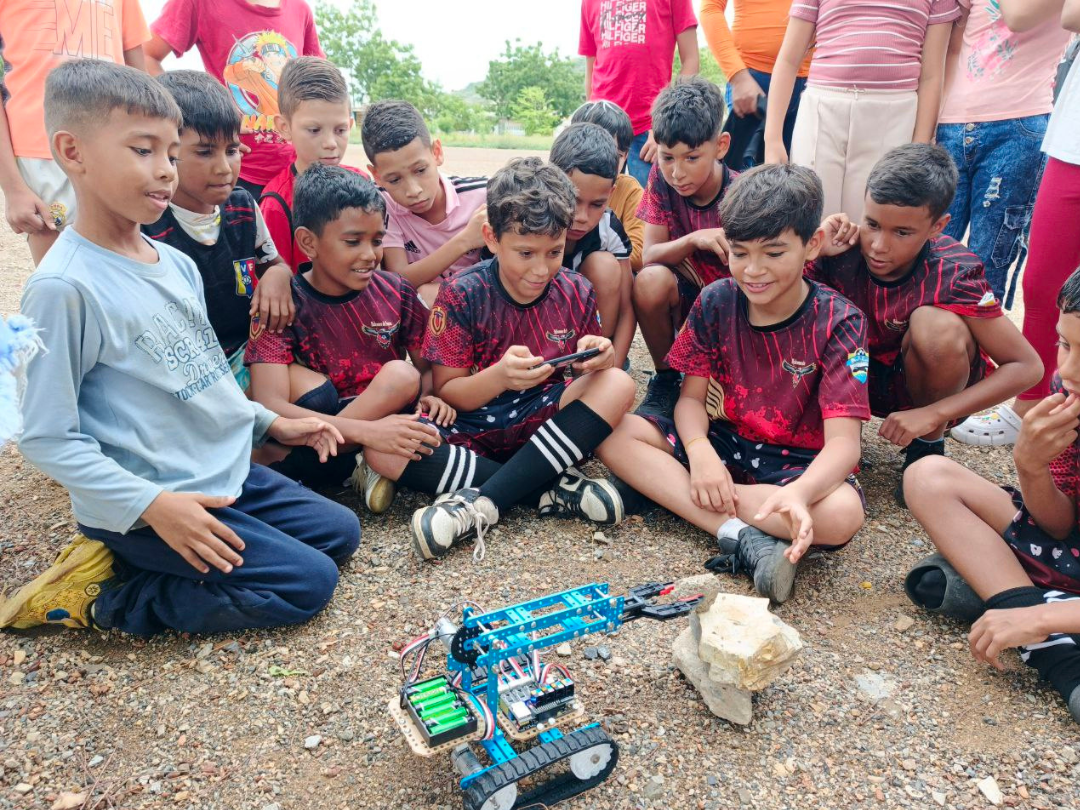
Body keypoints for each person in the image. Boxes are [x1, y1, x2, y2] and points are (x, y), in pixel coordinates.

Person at [0, 60, 358, 637]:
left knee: (340, 533)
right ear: (72, 151)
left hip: (216, 472)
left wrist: (271, 424)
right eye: (144, 150)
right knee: (307, 583)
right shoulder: (63, 288)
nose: (166, 170)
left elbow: (207, 381)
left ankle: (161, 553)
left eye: (170, 153)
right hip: (152, 501)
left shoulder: (174, 263)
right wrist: (154, 506)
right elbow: (47, 437)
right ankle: (106, 597)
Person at [598, 163, 869, 604]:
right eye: (740, 253)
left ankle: (669, 491)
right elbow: (690, 400)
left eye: (774, 253)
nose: (753, 270)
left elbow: (844, 445)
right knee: (611, 430)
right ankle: (740, 534)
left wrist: (799, 494)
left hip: (796, 464)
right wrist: (701, 453)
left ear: (812, 244)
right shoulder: (716, 299)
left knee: (841, 514)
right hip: (721, 442)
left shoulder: (841, 321)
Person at [394, 157, 636, 563]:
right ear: (491, 238)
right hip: (474, 427)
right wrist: (500, 377)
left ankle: (480, 504)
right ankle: (547, 488)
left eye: (554, 252)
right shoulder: (461, 293)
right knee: (387, 449)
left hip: (543, 423)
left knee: (619, 383)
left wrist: (601, 357)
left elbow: (582, 376)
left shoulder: (577, 290)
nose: (541, 269)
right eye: (525, 253)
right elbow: (449, 393)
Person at [807, 144, 1041, 499]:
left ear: (938, 227)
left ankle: (927, 447)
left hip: (916, 387)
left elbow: (1027, 366)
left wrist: (934, 414)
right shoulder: (840, 249)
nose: (879, 245)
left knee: (936, 326)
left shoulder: (953, 272)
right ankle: (816, 436)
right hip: (848, 379)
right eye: (872, 224)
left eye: (902, 232)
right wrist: (813, 249)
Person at [903, 267, 1080, 726]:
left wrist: (1036, 620)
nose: (1067, 370)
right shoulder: (1068, 394)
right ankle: (1036, 608)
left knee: (939, 583)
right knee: (927, 477)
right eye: (1065, 344)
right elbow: (1059, 525)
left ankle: (1054, 651)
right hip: (1069, 552)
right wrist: (1031, 466)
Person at [246, 164, 453, 514]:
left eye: (377, 240)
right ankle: (360, 460)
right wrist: (367, 433)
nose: (370, 255)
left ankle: (347, 463)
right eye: (353, 242)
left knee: (403, 378)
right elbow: (269, 405)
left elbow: (427, 368)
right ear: (308, 242)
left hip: (357, 426)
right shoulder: (281, 304)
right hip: (315, 428)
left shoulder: (396, 291)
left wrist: (430, 397)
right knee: (315, 391)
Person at [950, 1, 1080, 447]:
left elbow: (1027, 16)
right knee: (1042, 282)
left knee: (997, 264)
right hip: (1069, 138)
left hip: (1022, 117)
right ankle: (1030, 402)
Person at [143, 70, 295, 392]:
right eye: (204, 152)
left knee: (318, 395)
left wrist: (276, 276)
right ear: (168, 152)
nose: (224, 168)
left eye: (232, 150)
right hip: (187, 373)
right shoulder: (148, 225)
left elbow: (276, 265)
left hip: (248, 353)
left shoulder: (243, 207)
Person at [764, 0, 960, 222]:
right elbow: (788, 60)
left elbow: (932, 75)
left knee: (871, 220)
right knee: (811, 214)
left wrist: (920, 144)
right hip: (822, 110)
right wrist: (772, 139)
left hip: (895, 115)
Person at [936, 0, 1069, 307]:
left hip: (1018, 124)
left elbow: (1017, 16)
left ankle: (975, 337)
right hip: (953, 122)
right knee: (929, 250)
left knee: (985, 268)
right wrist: (934, 122)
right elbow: (952, 47)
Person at [0, 0, 150, 265]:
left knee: (123, 261)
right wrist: (14, 189)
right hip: (40, 150)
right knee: (59, 271)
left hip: (116, 144)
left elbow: (140, 77)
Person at [145, 0, 324, 198]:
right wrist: (193, 115)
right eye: (269, 56)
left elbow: (320, 82)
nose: (274, 60)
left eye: (278, 56)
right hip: (231, 175)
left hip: (298, 173)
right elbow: (146, 56)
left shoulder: (300, 9)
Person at [633, 77, 736, 419]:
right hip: (686, 295)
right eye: (667, 157)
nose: (677, 172)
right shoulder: (661, 179)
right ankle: (666, 378)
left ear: (720, 146)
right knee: (649, 281)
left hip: (733, 306)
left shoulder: (740, 194)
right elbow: (649, 255)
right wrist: (694, 239)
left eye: (692, 157)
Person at [362, 100, 488, 307]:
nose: (413, 190)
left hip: (480, 306)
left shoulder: (482, 194)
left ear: (436, 152)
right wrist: (465, 240)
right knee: (425, 295)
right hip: (421, 312)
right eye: (394, 180)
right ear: (376, 175)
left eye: (420, 170)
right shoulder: (381, 203)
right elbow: (398, 281)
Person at [259, 56, 366, 271]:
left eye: (340, 130)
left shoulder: (363, 182)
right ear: (284, 127)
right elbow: (277, 279)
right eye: (314, 130)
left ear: (350, 124)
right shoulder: (276, 205)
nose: (330, 143)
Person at [579, 0, 699, 188]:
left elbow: (691, 60)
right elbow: (591, 69)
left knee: (652, 203)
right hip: (601, 126)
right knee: (595, 199)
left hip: (650, 131)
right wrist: (590, 124)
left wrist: (663, 125)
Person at [550, 123, 635, 368]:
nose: (581, 217)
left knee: (605, 265)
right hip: (530, 327)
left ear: (611, 193)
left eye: (597, 204)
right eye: (572, 200)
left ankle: (591, 362)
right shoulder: (530, 220)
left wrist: (613, 368)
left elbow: (626, 310)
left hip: (582, 332)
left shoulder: (609, 228)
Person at [699, 0, 811, 170]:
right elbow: (710, 8)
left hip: (811, 84)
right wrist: (739, 77)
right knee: (745, 178)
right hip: (754, 85)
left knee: (803, 177)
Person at [570, 100, 645, 273]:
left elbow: (638, 253)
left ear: (626, 156)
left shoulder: (630, 190)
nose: (603, 162)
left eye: (615, 155)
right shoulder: (554, 183)